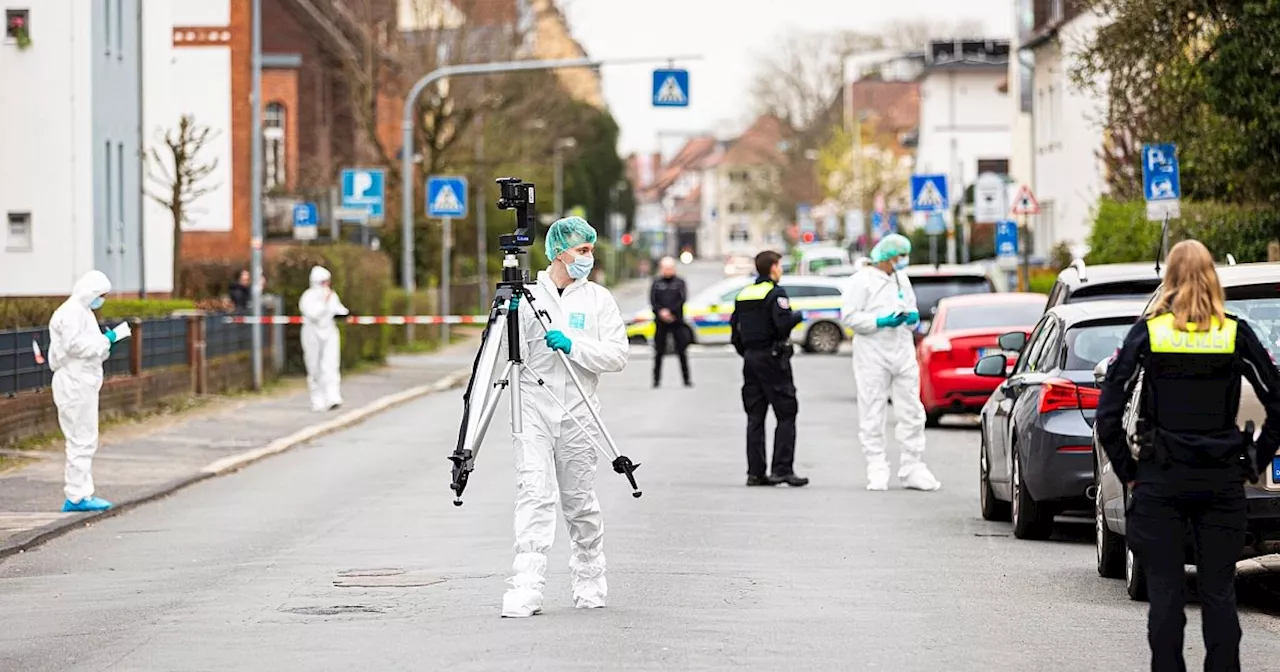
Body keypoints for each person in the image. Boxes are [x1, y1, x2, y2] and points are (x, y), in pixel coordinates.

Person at [1096, 240, 1280, 672]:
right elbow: (1278, 402)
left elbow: (1107, 415)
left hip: (1161, 481)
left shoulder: (1150, 333)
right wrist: (1256, 459)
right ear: (1213, 278)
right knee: (1218, 594)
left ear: (1170, 280)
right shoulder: (1234, 333)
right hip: (1220, 482)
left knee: (1166, 596)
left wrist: (1131, 473)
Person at [501, 216, 629, 618]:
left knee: (579, 503)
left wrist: (575, 345)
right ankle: (526, 587)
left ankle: (590, 576)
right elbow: (505, 352)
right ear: (559, 252)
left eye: (590, 250)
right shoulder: (526, 296)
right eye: (583, 250)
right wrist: (510, 310)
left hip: (578, 410)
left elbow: (617, 355)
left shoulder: (598, 299)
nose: (589, 257)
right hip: (532, 408)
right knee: (535, 495)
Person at [842, 233, 941, 492]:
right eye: (900, 256)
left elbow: (911, 310)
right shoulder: (860, 281)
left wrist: (910, 319)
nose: (903, 261)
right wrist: (880, 322)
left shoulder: (900, 278)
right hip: (872, 353)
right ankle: (876, 466)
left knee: (912, 410)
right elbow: (849, 317)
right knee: (872, 409)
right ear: (887, 256)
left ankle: (912, 466)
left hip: (902, 350)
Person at [48, 270, 131, 512]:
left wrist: (105, 342)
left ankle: (81, 493)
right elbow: (76, 346)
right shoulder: (72, 312)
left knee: (84, 439)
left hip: (80, 381)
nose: (102, 299)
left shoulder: (81, 311)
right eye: (101, 295)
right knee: (81, 439)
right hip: (75, 382)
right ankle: (77, 496)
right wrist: (109, 339)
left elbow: (89, 346)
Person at [730, 251, 809, 488]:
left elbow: (735, 331)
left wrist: (748, 352)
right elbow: (782, 323)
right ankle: (782, 469)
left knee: (755, 416)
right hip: (773, 359)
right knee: (786, 412)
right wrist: (797, 316)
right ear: (773, 268)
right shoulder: (776, 293)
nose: (781, 270)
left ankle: (755, 473)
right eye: (780, 266)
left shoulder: (744, 294)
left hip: (751, 360)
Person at [298, 266, 349, 412]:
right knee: (314, 367)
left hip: (330, 331)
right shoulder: (308, 297)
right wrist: (324, 303)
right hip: (311, 333)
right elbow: (313, 314)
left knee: (331, 364)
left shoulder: (332, 296)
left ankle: (333, 396)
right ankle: (317, 400)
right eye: (324, 282)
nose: (327, 285)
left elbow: (339, 309)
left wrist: (344, 314)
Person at [650, 256, 692, 388]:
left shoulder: (679, 282)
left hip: (677, 320)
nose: (668, 271)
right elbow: (653, 300)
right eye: (665, 268)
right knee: (658, 352)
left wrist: (671, 312)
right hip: (660, 322)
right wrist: (661, 312)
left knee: (682, 351)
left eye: (670, 268)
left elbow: (682, 299)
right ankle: (656, 380)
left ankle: (686, 379)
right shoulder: (656, 283)